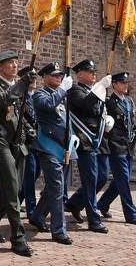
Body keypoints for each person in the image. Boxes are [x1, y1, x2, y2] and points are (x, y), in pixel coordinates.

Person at [0, 49, 35, 257]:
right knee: (11, 190)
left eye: (15, 63)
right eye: (9, 63)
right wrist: (22, 84)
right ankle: (18, 238)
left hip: (17, 144)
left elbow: (20, 115)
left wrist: (30, 129)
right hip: (0, 143)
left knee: (12, 191)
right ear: (0, 67)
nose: (14, 66)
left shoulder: (16, 86)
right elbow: (2, 101)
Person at [28, 62, 74, 244]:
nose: (59, 78)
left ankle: (38, 216)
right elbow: (48, 105)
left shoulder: (62, 95)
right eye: (54, 75)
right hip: (48, 146)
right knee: (57, 189)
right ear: (45, 77)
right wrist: (63, 88)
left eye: (60, 75)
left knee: (54, 188)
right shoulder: (41, 94)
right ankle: (58, 230)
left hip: (64, 147)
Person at [64, 60, 110, 233]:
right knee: (90, 181)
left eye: (94, 71)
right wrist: (100, 86)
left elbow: (97, 112)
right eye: (90, 71)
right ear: (80, 74)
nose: (93, 74)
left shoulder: (93, 91)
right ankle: (93, 219)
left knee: (102, 177)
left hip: (98, 142)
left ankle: (75, 203)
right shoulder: (75, 90)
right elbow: (86, 105)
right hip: (85, 141)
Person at [98, 72, 136, 225]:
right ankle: (131, 214)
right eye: (122, 82)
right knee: (123, 180)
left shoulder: (129, 101)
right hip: (116, 146)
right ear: (115, 84)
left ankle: (102, 204)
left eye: (126, 82)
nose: (125, 85)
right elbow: (107, 123)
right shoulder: (109, 102)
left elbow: (131, 121)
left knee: (122, 180)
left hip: (129, 145)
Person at [17, 65, 40, 218]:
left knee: (36, 172)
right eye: (31, 78)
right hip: (26, 141)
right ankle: (31, 209)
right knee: (30, 174)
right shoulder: (21, 97)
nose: (34, 80)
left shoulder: (36, 96)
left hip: (38, 141)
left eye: (35, 77)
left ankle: (16, 202)